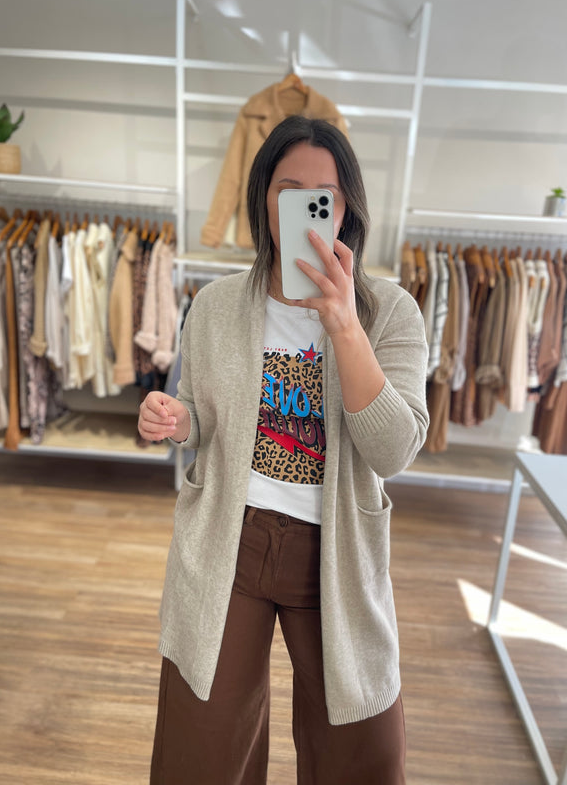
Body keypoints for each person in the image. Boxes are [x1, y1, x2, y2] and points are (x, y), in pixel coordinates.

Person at [138, 115, 429, 785]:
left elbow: (393, 450)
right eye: (287, 190)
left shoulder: (390, 313)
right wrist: (177, 420)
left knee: (361, 750)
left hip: (336, 552)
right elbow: (208, 421)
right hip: (229, 542)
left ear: (345, 208)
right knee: (200, 745)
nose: (304, 206)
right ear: (264, 200)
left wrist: (344, 325)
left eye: (322, 195)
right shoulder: (214, 307)